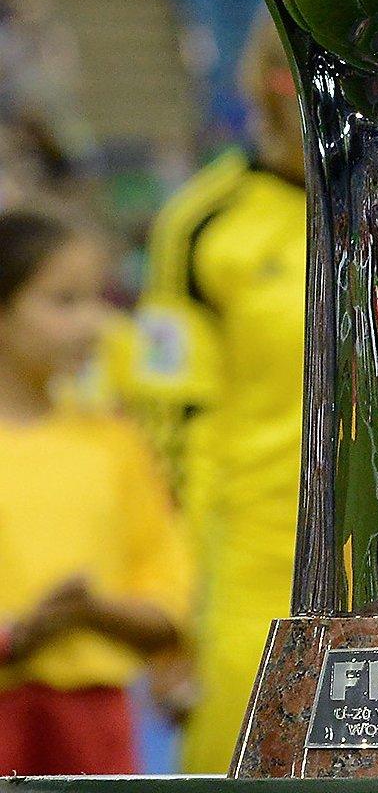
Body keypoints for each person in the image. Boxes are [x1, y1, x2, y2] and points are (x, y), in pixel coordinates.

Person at [126, 24, 308, 773]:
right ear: (266, 81)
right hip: (250, 561)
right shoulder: (202, 222)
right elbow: (167, 417)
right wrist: (172, 607)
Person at [0, 210, 187, 773]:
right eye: (64, 301)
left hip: (93, 727)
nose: (95, 324)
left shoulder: (114, 444)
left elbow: (166, 603)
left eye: (98, 299)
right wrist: (15, 639)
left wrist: (89, 612)